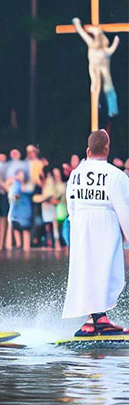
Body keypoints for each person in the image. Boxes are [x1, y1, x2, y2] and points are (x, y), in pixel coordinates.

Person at [62, 129, 129, 336]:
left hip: (81, 223)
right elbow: (124, 209)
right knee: (105, 270)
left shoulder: (75, 174)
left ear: (88, 150)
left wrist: (74, 225)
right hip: (105, 224)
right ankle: (98, 319)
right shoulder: (117, 175)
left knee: (86, 270)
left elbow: (70, 203)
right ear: (107, 149)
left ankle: (93, 318)